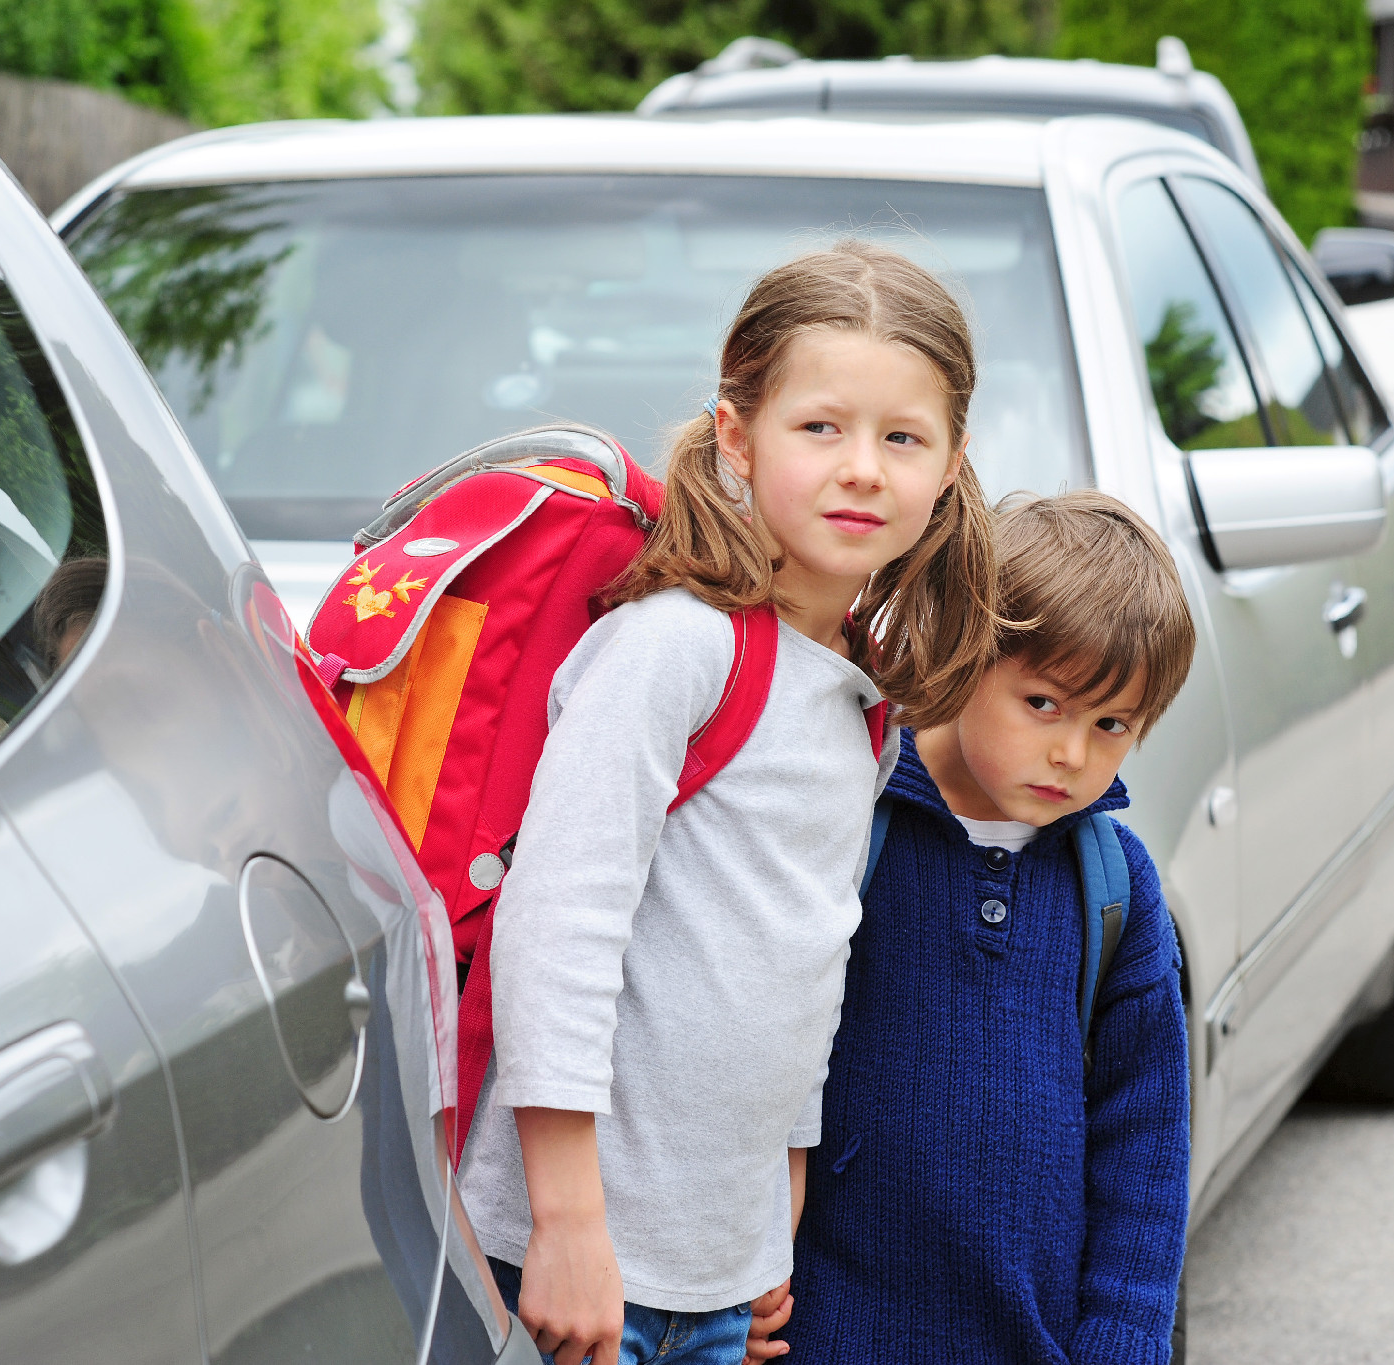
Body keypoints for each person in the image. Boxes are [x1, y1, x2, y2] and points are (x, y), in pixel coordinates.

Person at [457, 240, 1001, 1365]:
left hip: (718, 1280)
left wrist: (768, 1229)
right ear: (735, 437)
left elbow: (795, 967)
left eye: (902, 437)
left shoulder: (858, 694)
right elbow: (557, 931)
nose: (862, 468)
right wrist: (564, 1227)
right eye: (820, 428)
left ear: (948, 467)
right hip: (567, 1263)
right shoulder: (674, 649)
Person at [769, 488, 1196, 1365]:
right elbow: (757, 1052)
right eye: (1043, 703)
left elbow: (1145, 1147)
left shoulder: (1116, 889)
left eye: (1111, 723)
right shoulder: (851, 819)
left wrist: (1123, 1338)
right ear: (967, 653)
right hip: (831, 1330)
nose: (1073, 752)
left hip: (1033, 1341)